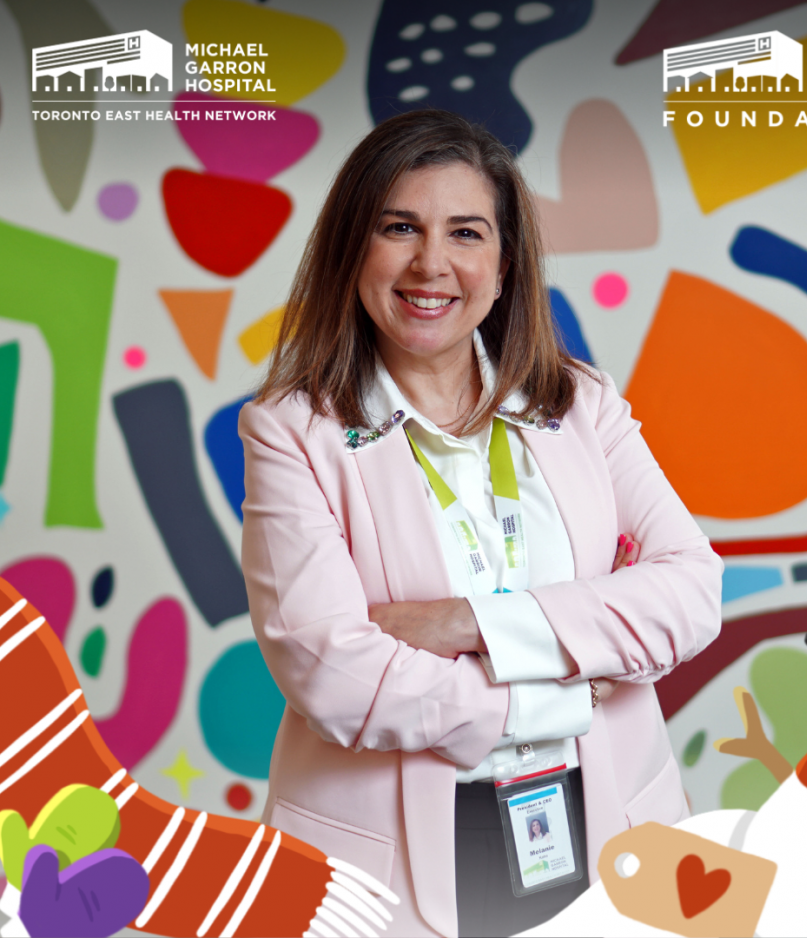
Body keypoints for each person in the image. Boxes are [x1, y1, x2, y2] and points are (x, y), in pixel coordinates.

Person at [239, 108, 722, 938]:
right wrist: (557, 693)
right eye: (400, 227)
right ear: (353, 247)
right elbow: (332, 672)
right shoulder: (291, 430)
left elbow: (690, 592)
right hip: (385, 861)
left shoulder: (582, 405)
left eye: (466, 232)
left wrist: (469, 625)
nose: (433, 263)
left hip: (608, 818)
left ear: (503, 266)